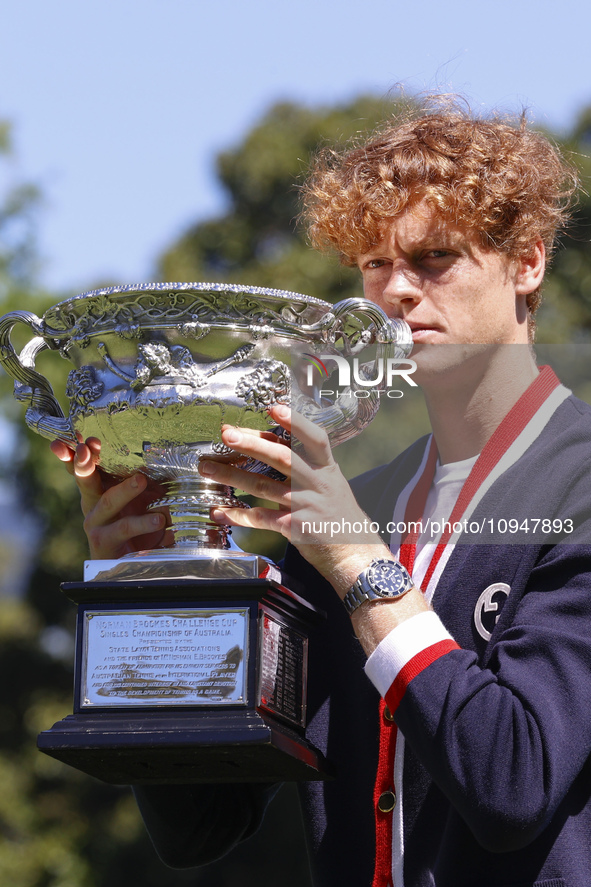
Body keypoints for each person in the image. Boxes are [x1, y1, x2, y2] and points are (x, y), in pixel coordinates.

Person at [53, 103, 591, 887]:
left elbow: (510, 780)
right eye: (374, 264)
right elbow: (201, 824)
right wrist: (151, 581)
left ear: (528, 262)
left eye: (434, 257)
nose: (397, 291)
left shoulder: (570, 484)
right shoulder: (348, 503)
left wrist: (355, 561)